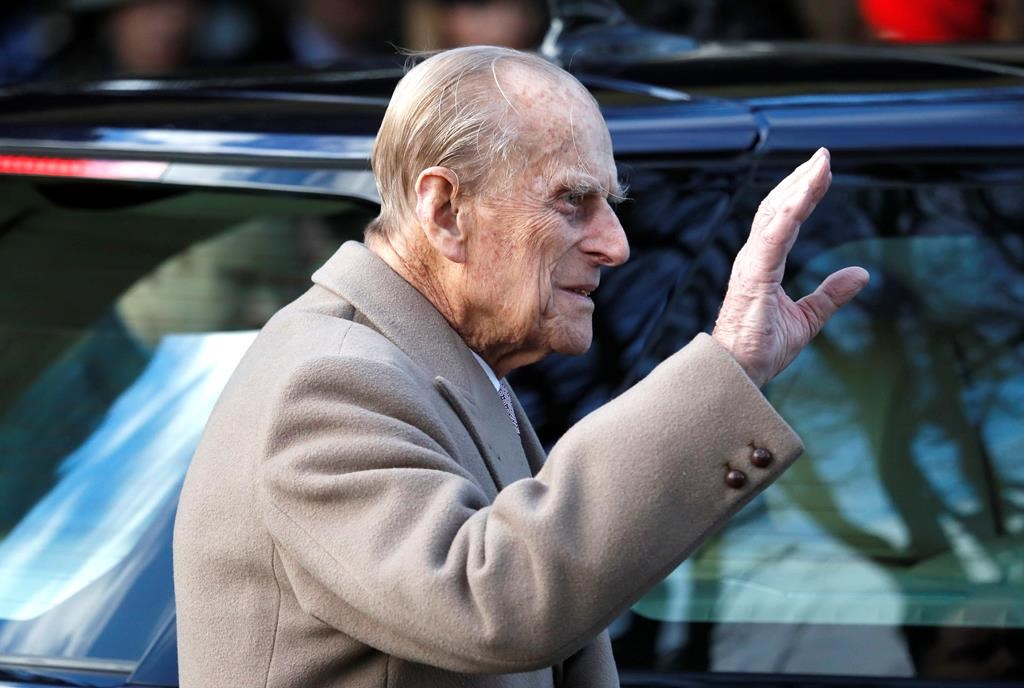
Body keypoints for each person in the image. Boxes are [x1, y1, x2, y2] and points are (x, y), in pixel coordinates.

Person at [173, 46, 869, 687]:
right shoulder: (331, 382)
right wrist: (729, 365)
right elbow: (495, 600)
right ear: (445, 209)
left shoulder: (423, 363)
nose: (615, 245)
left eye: (611, 206)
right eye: (574, 201)